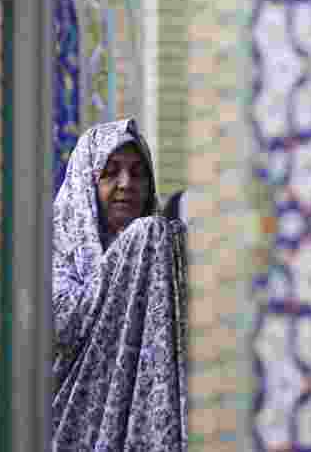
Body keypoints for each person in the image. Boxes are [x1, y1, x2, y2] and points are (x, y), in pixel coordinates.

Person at [50, 118, 188, 451]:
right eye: (110, 172)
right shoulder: (51, 250)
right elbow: (61, 324)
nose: (126, 184)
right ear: (87, 182)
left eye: (138, 173)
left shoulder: (167, 251)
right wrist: (128, 257)